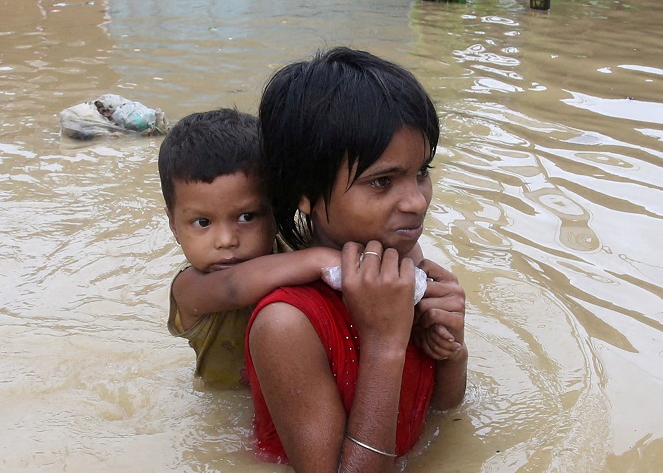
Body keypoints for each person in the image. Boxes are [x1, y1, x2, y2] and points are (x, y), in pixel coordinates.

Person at [245, 48, 468, 471]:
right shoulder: (287, 323)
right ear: (307, 194)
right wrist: (385, 343)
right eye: (382, 181)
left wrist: (452, 351)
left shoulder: (404, 266)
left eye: (422, 171)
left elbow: (441, 416)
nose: (417, 201)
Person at [159, 108, 459, 390]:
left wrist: (421, 295)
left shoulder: (290, 245)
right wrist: (320, 260)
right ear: (173, 225)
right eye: (202, 222)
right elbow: (234, 287)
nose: (225, 240)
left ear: (277, 210)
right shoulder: (189, 288)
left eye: (247, 217)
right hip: (227, 405)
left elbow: (388, 244)